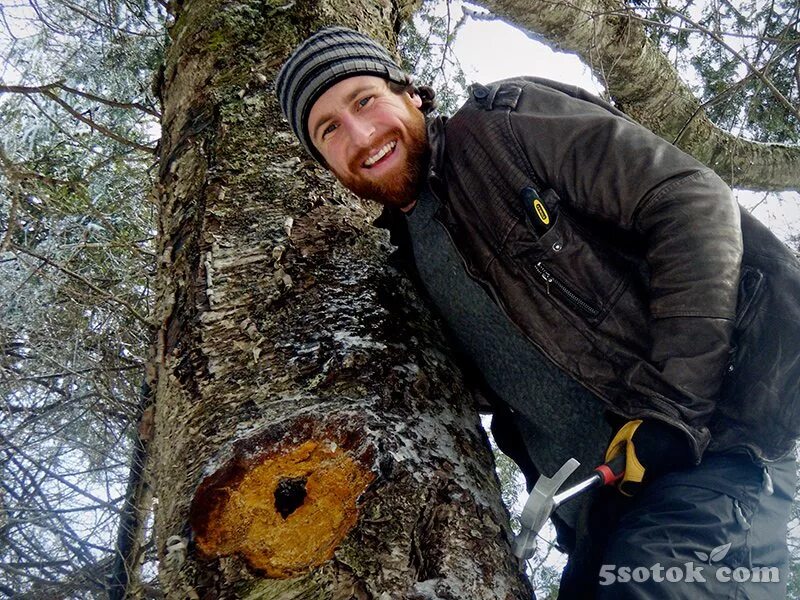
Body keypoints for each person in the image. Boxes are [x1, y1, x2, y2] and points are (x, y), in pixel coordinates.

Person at [275, 26, 800, 598]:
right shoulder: (406, 262)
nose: (361, 133)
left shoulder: (504, 127)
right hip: (596, 518)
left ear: (412, 94)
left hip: (713, 450)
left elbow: (688, 199)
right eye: (329, 130)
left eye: (365, 100)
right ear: (326, 162)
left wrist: (674, 407)